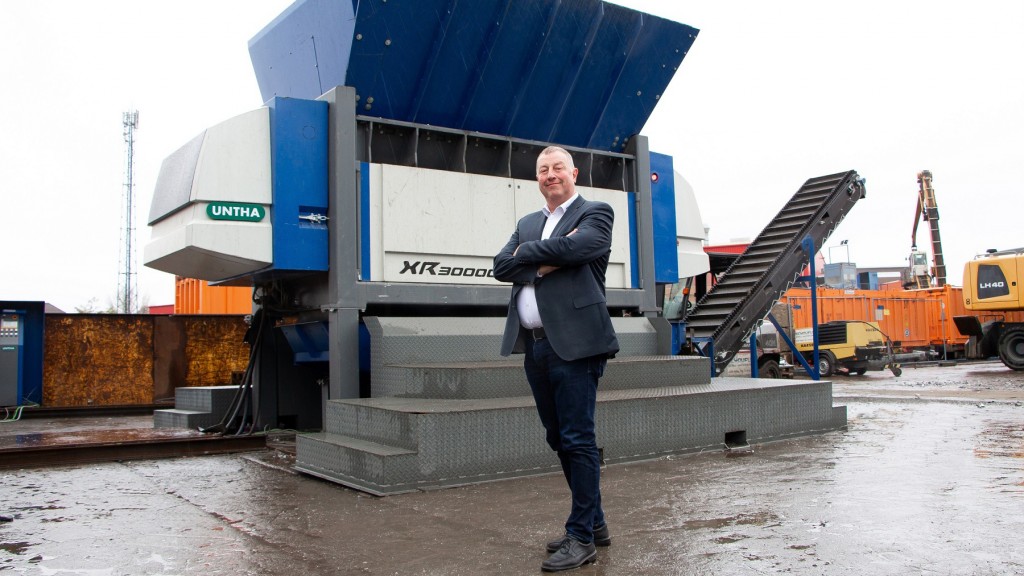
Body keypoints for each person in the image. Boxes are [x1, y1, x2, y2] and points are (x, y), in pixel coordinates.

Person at [493, 146, 620, 572]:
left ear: (573, 172)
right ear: (537, 178)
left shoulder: (595, 211)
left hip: (577, 344)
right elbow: (499, 266)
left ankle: (581, 537)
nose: (551, 175)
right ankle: (596, 523)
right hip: (535, 346)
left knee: (578, 438)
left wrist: (527, 256)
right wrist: (545, 260)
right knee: (558, 438)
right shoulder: (529, 222)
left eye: (558, 168)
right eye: (543, 170)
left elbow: (583, 247)